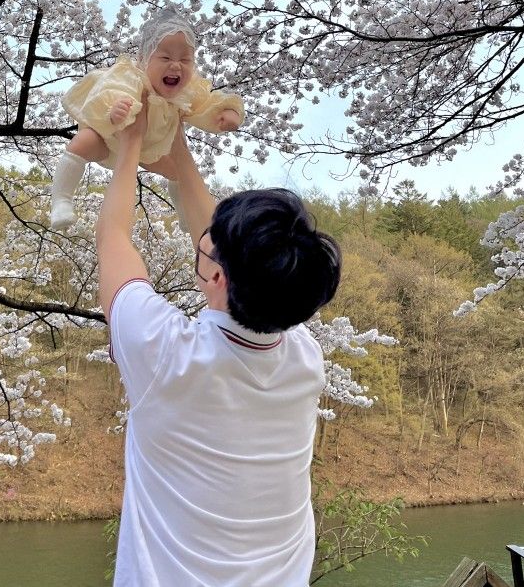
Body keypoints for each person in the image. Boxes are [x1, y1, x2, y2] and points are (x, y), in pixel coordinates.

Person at [96, 100, 342, 587]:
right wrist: (179, 150)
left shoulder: (166, 352)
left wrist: (128, 148)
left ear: (215, 275)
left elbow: (111, 235)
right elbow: (231, 258)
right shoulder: (304, 356)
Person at [50, 6, 245, 230]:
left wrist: (228, 112)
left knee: (176, 170)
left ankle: (184, 212)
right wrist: (114, 112)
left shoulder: (187, 92)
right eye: (165, 57)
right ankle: (61, 200)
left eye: (185, 59)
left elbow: (207, 103)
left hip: (150, 149)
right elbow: (107, 92)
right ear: (143, 59)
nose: (176, 65)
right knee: (82, 141)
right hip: (111, 138)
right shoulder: (132, 77)